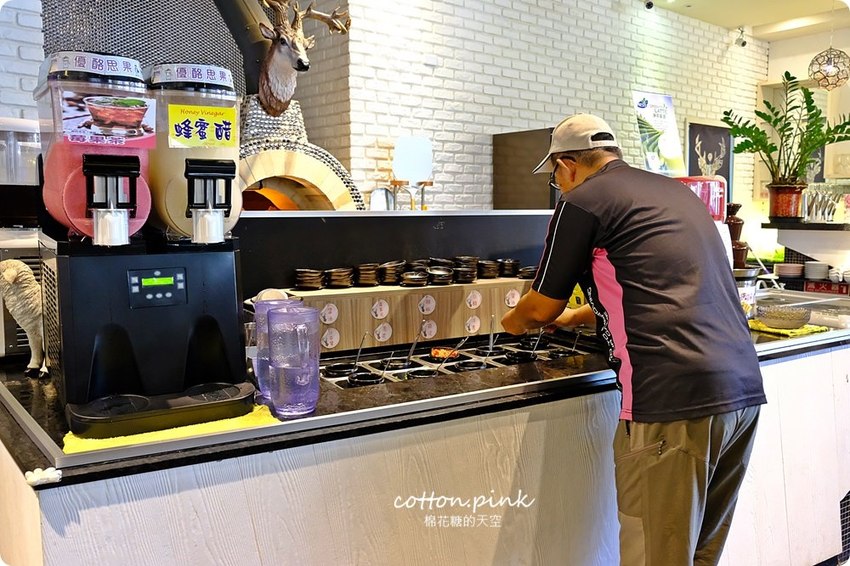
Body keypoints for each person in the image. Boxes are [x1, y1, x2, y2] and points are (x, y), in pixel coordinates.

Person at [501, 113, 765, 566]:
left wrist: (509, 323)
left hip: (670, 399)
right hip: (741, 392)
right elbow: (663, 287)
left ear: (566, 164)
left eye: (554, 177)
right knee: (698, 554)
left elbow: (539, 308)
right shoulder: (675, 193)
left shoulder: (583, 201)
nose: (557, 185)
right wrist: (578, 317)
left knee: (654, 555)